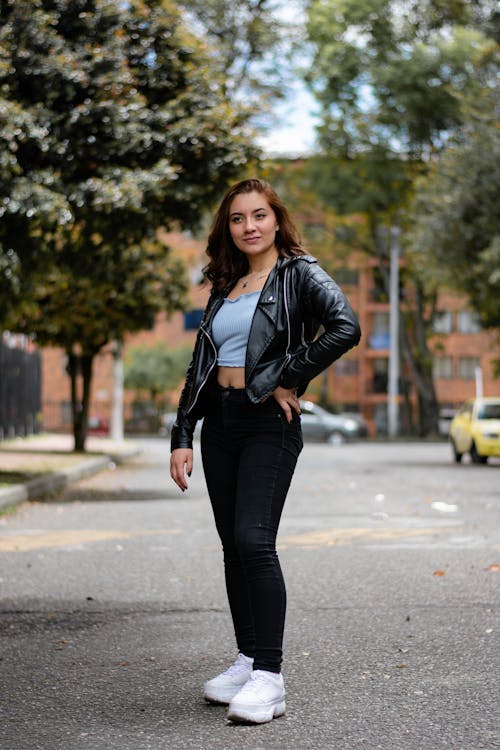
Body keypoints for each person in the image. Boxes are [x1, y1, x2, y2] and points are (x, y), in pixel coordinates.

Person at [170, 178, 361, 724]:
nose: (249, 226)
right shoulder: (226, 284)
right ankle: (248, 659)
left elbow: (345, 326)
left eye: (258, 215)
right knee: (233, 545)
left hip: (267, 423)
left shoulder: (298, 273)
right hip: (221, 424)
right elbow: (199, 365)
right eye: (237, 218)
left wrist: (287, 375)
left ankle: (270, 679)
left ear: (276, 220)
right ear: (227, 228)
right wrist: (183, 434)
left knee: (255, 540)